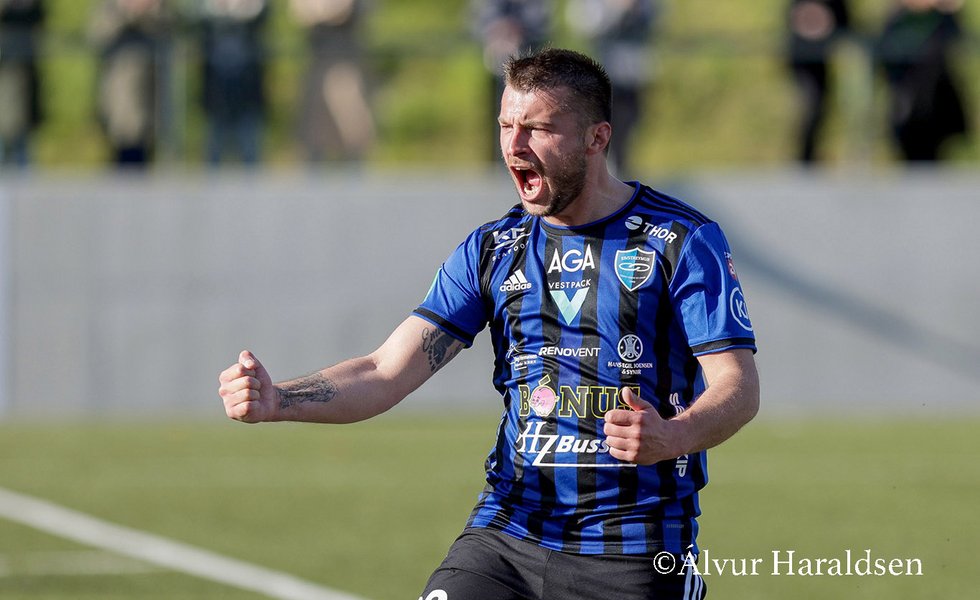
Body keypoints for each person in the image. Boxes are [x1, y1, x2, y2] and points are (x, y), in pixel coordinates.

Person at [219, 48, 760, 599]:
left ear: (597, 138)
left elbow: (738, 387)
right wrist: (279, 399)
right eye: (505, 125)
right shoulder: (494, 249)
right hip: (506, 535)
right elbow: (385, 371)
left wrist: (673, 436)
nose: (513, 146)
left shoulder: (681, 240)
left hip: (634, 549)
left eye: (537, 129)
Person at [567, 0, 661, 176]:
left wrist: (635, 9)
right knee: (604, 119)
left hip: (634, 71)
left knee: (631, 119)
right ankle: (603, 166)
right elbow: (587, 24)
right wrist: (617, 11)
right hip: (604, 70)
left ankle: (621, 165)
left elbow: (654, 19)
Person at [875, 0, 968, 161]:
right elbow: (885, 57)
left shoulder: (939, 19)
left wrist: (947, 9)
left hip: (936, 106)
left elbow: (955, 36)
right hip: (909, 107)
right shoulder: (899, 20)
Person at [89, 0, 173, 167]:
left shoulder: (158, 7)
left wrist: (148, 12)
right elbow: (97, 34)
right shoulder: (110, 7)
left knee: (144, 148)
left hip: (150, 88)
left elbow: (169, 31)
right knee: (123, 144)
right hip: (120, 85)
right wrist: (125, 12)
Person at [289, 0, 374, 164]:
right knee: (314, 128)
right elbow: (300, 13)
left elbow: (341, 11)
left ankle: (354, 167)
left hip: (343, 61)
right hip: (318, 61)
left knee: (351, 125)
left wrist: (321, 11)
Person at [471, 0, 552, 163]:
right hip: (499, 55)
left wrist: (520, 29)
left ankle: (530, 155)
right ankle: (501, 158)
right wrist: (498, 28)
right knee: (501, 112)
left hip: (530, 55)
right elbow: (479, 18)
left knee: (531, 111)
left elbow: (542, 20)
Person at [194, 0, 269, 166]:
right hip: (217, 88)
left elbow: (262, 13)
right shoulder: (206, 9)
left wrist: (238, 8)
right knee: (214, 147)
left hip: (247, 87)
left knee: (250, 148)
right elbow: (197, 15)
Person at [785, 0, 850, 163]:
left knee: (821, 107)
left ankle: (809, 157)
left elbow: (846, 23)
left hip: (821, 59)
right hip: (802, 58)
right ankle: (805, 158)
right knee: (812, 107)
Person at [0, 0, 45, 168]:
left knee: (21, 135)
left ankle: (21, 165)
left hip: (25, 72)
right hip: (7, 71)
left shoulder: (33, 8)